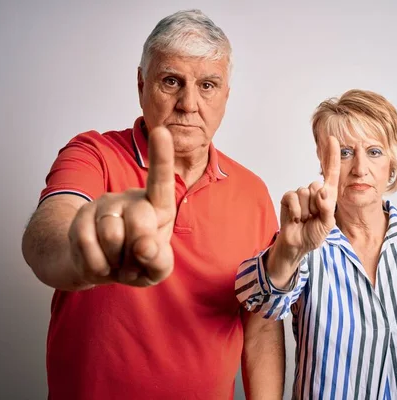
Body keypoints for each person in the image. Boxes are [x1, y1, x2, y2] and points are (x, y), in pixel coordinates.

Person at [21, 9, 284, 400]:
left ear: (226, 95)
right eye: (171, 81)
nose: (188, 103)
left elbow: (260, 327)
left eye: (208, 85)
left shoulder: (253, 192)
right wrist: (85, 253)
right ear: (142, 83)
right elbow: (49, 233)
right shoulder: (93, 154)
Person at [236, 89, 397, 399]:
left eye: (374, 151)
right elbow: (259, 302)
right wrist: (288, 251)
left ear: (393, 162)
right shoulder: (305, 245)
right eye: (345, 152)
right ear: (324, 162)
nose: (359, 168)